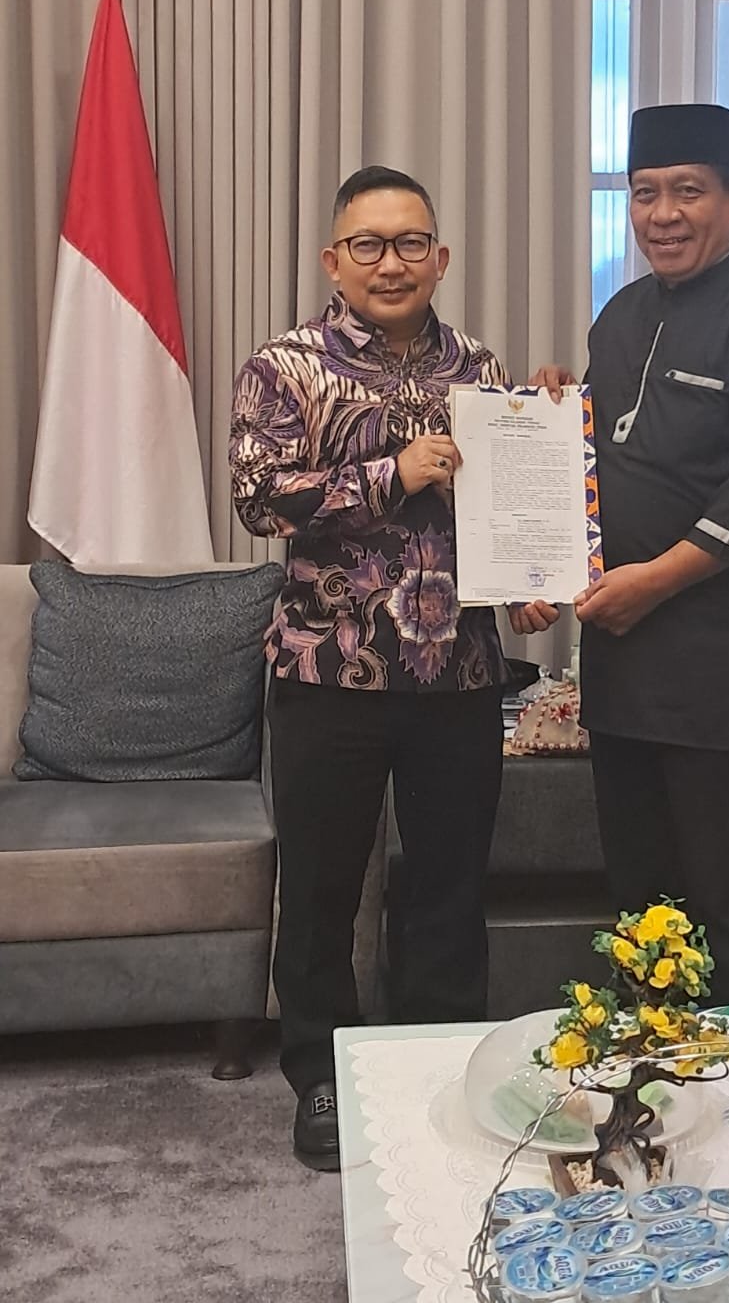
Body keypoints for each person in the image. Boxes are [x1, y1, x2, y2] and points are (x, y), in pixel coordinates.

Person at [515, 103, 729, 1010]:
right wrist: (552, 420)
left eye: (688, 192)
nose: (662, 214)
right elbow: (606, 462)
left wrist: (654, 583)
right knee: (645, 913)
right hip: (631, 675)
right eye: (644, 193)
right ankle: (657, 1079)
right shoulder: (620, 317)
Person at [230, 165, 511, 1171]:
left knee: (449, 885)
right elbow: (258, 498)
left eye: (410, 244)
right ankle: (322, 1075)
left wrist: (527, 579)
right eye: (369, 245)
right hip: (326, 675)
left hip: (458, 675)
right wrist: (393, 472)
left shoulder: (480, 370)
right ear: (334, 260)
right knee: (320, 890)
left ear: (441, 257)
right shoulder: (285, 366)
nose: (391, 263)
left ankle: (442, 1062)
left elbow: (496, 510)